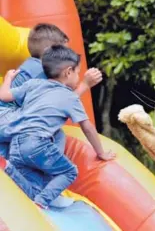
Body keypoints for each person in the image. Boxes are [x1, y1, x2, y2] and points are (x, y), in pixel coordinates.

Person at [0, 45, 115, 209]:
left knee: (30, 189)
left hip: (16, 144)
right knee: (69, 172)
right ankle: (42, 202)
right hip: (37, 144)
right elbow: (87, 127)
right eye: (77, 72)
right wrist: (101, 153)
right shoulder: (70, 97)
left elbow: (4, 96)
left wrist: (8, 79)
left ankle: (7, 167)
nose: (78, 77)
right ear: (68, 72)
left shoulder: (33, 84)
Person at [0, 23, 102, 159]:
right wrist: (85, 84)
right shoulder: (41, 74)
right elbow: (60, 104)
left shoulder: (30, 66)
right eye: (62, 53)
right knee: (55, 135)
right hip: (11, 125)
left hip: (8, 123)